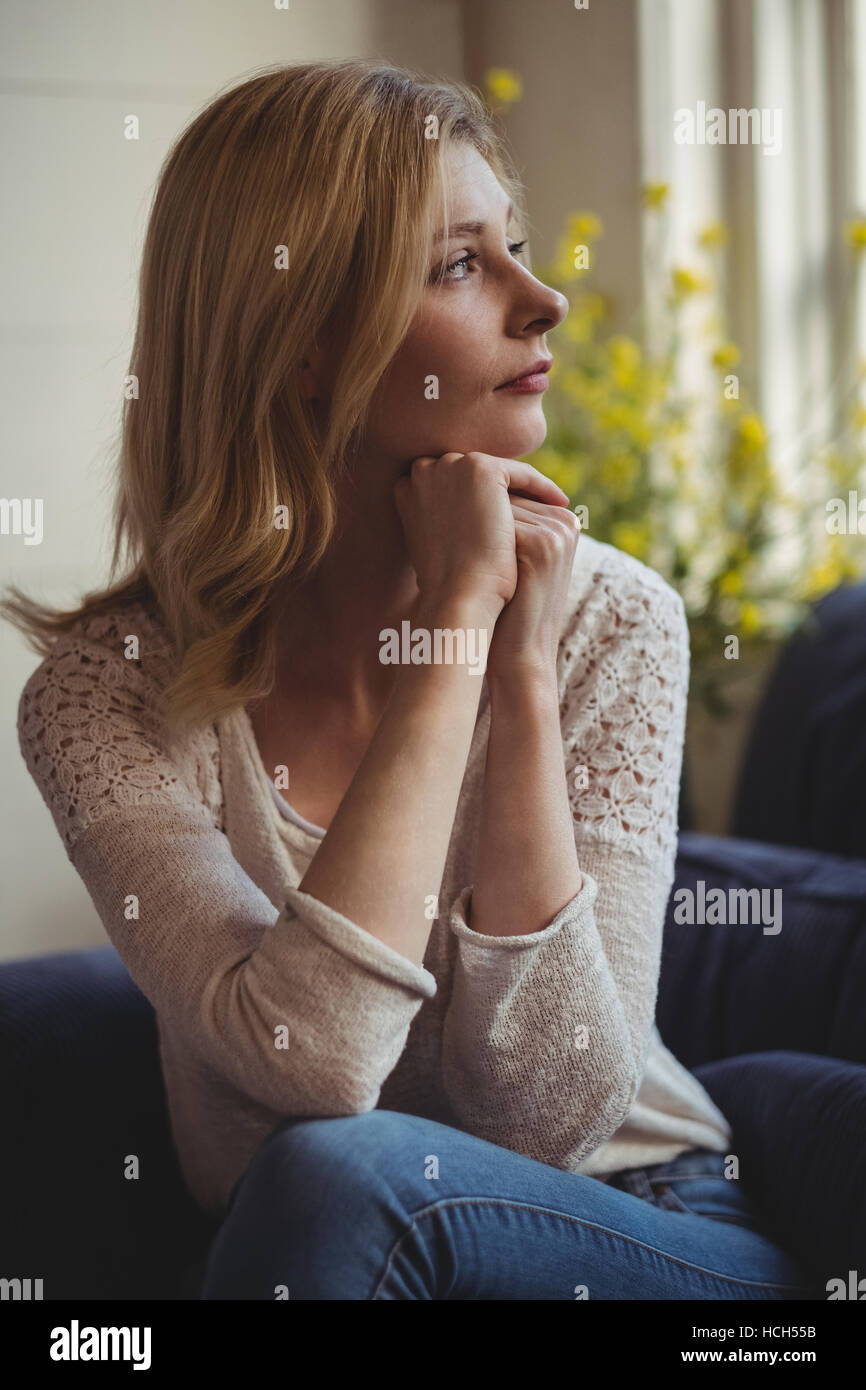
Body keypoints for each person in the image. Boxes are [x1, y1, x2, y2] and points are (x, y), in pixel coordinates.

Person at [5, 59, 820, 1300]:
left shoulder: (613, 622)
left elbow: (554, 1116)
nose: (542, 300)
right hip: (316, 1256)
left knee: (338, 1184)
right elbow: (315, 1065)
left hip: (639, 1220)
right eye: (459, 264)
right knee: (326, 1184)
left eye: (521, 248)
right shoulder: (103, 695)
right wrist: (453, 629)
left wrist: (524, 680)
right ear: (304, 347)